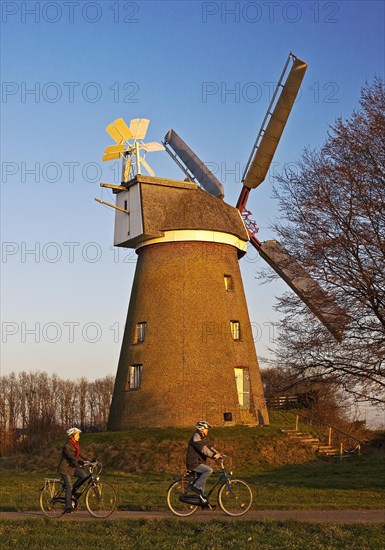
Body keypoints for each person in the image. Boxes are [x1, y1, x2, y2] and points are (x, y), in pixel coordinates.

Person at [186, 420, 221, 500]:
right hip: (194, 463)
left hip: (199, 462)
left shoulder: (203, 437)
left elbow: (209, 447)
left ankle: (203, 502)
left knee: (203, 481)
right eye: (206, 429)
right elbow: (203, 449)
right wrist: (213, 455)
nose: (207, 430)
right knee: (209, 470)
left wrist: (218, 454)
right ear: (202, 429)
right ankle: (195, 487)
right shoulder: (196, 437)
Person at [57, 427, 89, 513]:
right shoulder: (66, 446)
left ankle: (72, 491)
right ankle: (68, 507)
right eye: (77, 435)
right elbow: (71, 456)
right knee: (69, 486)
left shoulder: (75, 445)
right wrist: (80, 462)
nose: (79, 436)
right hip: (64, 469)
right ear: (72, 436)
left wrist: (90, 460)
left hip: (71, 467)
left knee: (83, 475)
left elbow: (80, 454)